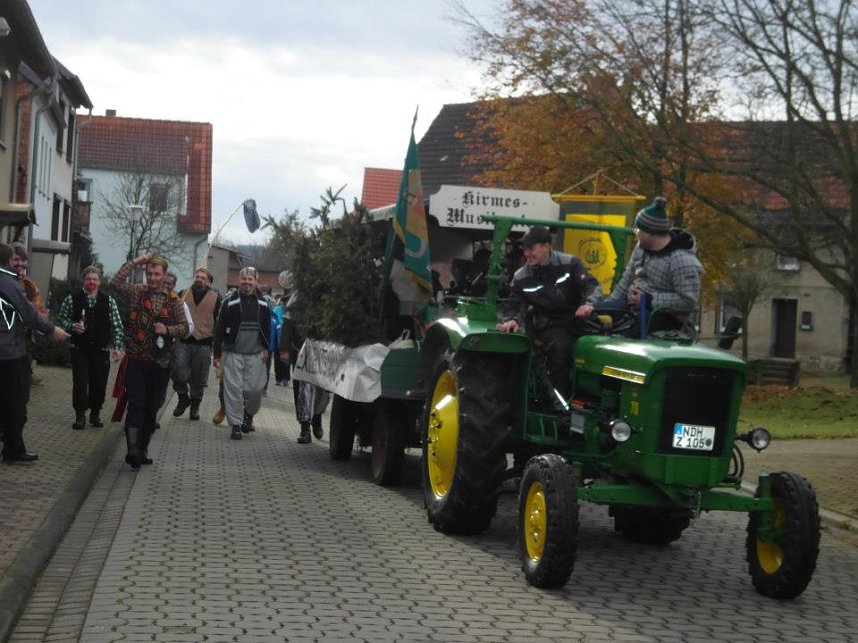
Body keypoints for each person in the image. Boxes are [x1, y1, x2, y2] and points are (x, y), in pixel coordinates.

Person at [496, 225, 600, 400]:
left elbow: (592, 286)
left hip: (582, 319)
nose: (527, 253)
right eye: (525, 249)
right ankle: (560, 403)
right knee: (561, 350)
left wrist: (589, 304)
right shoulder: (521, 277)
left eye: (531, 248)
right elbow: (513, 304)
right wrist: (511, 320)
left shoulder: (570, 263)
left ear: (546, 246)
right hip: (551, 324)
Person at [111, 254, 189, 468]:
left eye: (156, 274)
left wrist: (167, 329)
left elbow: (185, 328)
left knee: (151, 407)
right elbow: (115, 282)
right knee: (136, 403)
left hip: (160, 362)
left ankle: (143, 448)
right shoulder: (137, 292)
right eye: (149, 273)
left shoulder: (174, 301)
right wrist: (136, 262)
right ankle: (132, 449)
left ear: (164, 275)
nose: (152, 278)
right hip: (136, 359)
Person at [0, 244, 70, 464]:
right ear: (8, 261)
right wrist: (51, 329)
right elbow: (28, 313)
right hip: (9, 352)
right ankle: (14, 450)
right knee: (15, 402)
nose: (17, 264)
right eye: (14, 260)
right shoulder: (8, 284)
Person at [602, 197, 704, 329]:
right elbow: (626, 280)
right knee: (593, 318)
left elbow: (688, 301)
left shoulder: (681, 261)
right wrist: (605, 305)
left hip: (664, 316)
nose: (635, 232)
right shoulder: (641, 248)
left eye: (638, 229)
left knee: (624, 330)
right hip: (631, 306)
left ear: (648, 233)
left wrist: (649, 300)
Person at [58, 266, 125, 430]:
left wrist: (117, 347)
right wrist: (72, 326)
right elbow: (62, 318)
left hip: (101, 350)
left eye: (95, 279)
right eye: (89, 279)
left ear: (99, 281)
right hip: (80, 349)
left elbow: (117, 326)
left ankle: (95, 413)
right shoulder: (72, 299)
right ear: (84, 280)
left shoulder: (108, 301)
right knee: (80, 382)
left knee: (99, 384)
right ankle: (80, 415)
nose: (92, 282)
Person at [212, 267, 272, 441]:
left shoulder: (263, 303)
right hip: (233, 353)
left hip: (256, 354)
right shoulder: (229, 302)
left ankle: (249, 415)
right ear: (239, 280)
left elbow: (268, 328)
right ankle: (236, 425)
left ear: (256, 282)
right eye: (244, 279)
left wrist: (268, 348)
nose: (247, 282)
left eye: (250, 279)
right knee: (233, 391)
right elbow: (219, 329)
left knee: (254, 389)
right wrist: (217, 354)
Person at [278, 286, 329, 444]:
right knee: (302, 391)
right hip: (300, 350)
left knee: (321, 389)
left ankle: (317, 418)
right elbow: (287, 322)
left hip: (323, 351)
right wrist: (284, 349)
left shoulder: (328, 296)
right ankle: (304, 428)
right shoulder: (298, 296)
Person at [171, 267, 219, 420]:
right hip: (183, 341)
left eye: (203, 278)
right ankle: (182, 397)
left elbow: (220, 322)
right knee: (178, 371)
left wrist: (219, 346)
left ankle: (195, 405)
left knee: (199, 378)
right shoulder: (183, 294)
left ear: (208, 281)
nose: (199, 279)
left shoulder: (216, 297)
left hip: (204, 343)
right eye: (197, 276)